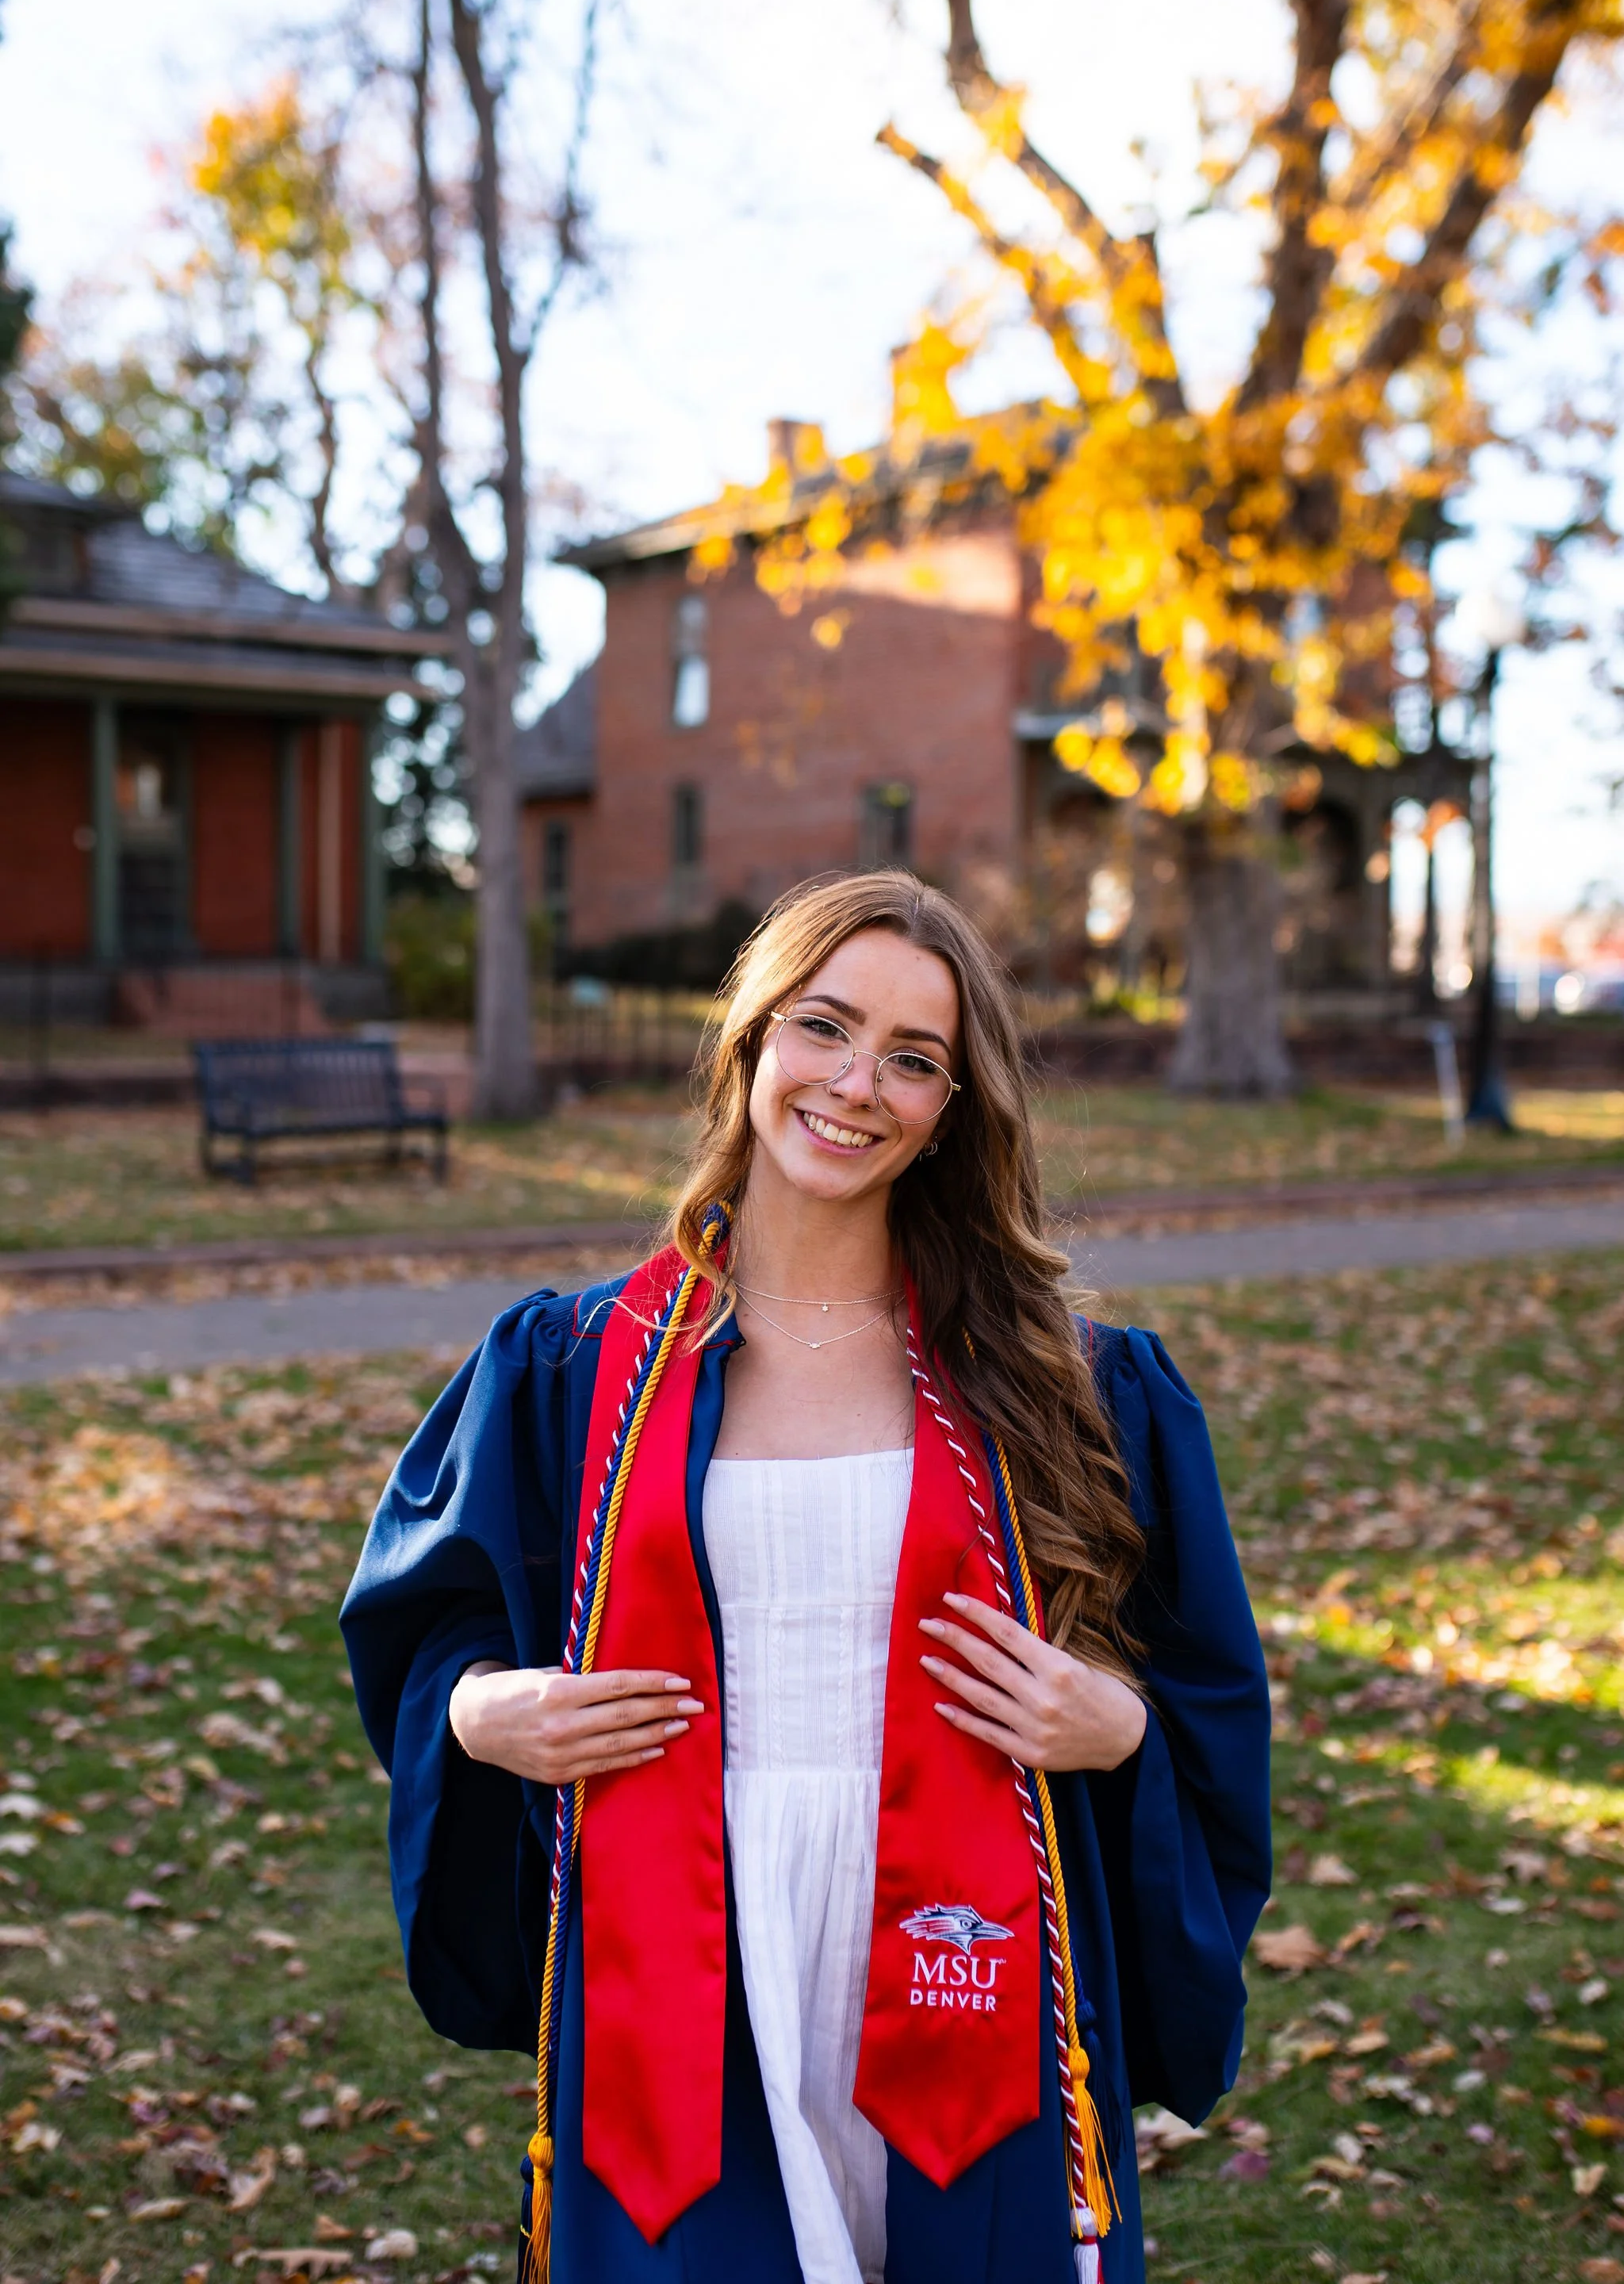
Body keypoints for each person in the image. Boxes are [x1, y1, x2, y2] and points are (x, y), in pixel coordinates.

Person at [341, 871, 1271, 2284]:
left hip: (969, 1949)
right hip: (687, 1947)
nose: (857, 1084)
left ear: (957, 1108)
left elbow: (1202, 1683)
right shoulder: (574, 1371)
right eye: (824, 1028)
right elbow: (427, 1619)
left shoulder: (1069, 1386)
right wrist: (481, 1715)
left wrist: (1118, 1727)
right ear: (751, 1041)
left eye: (914, 1059)